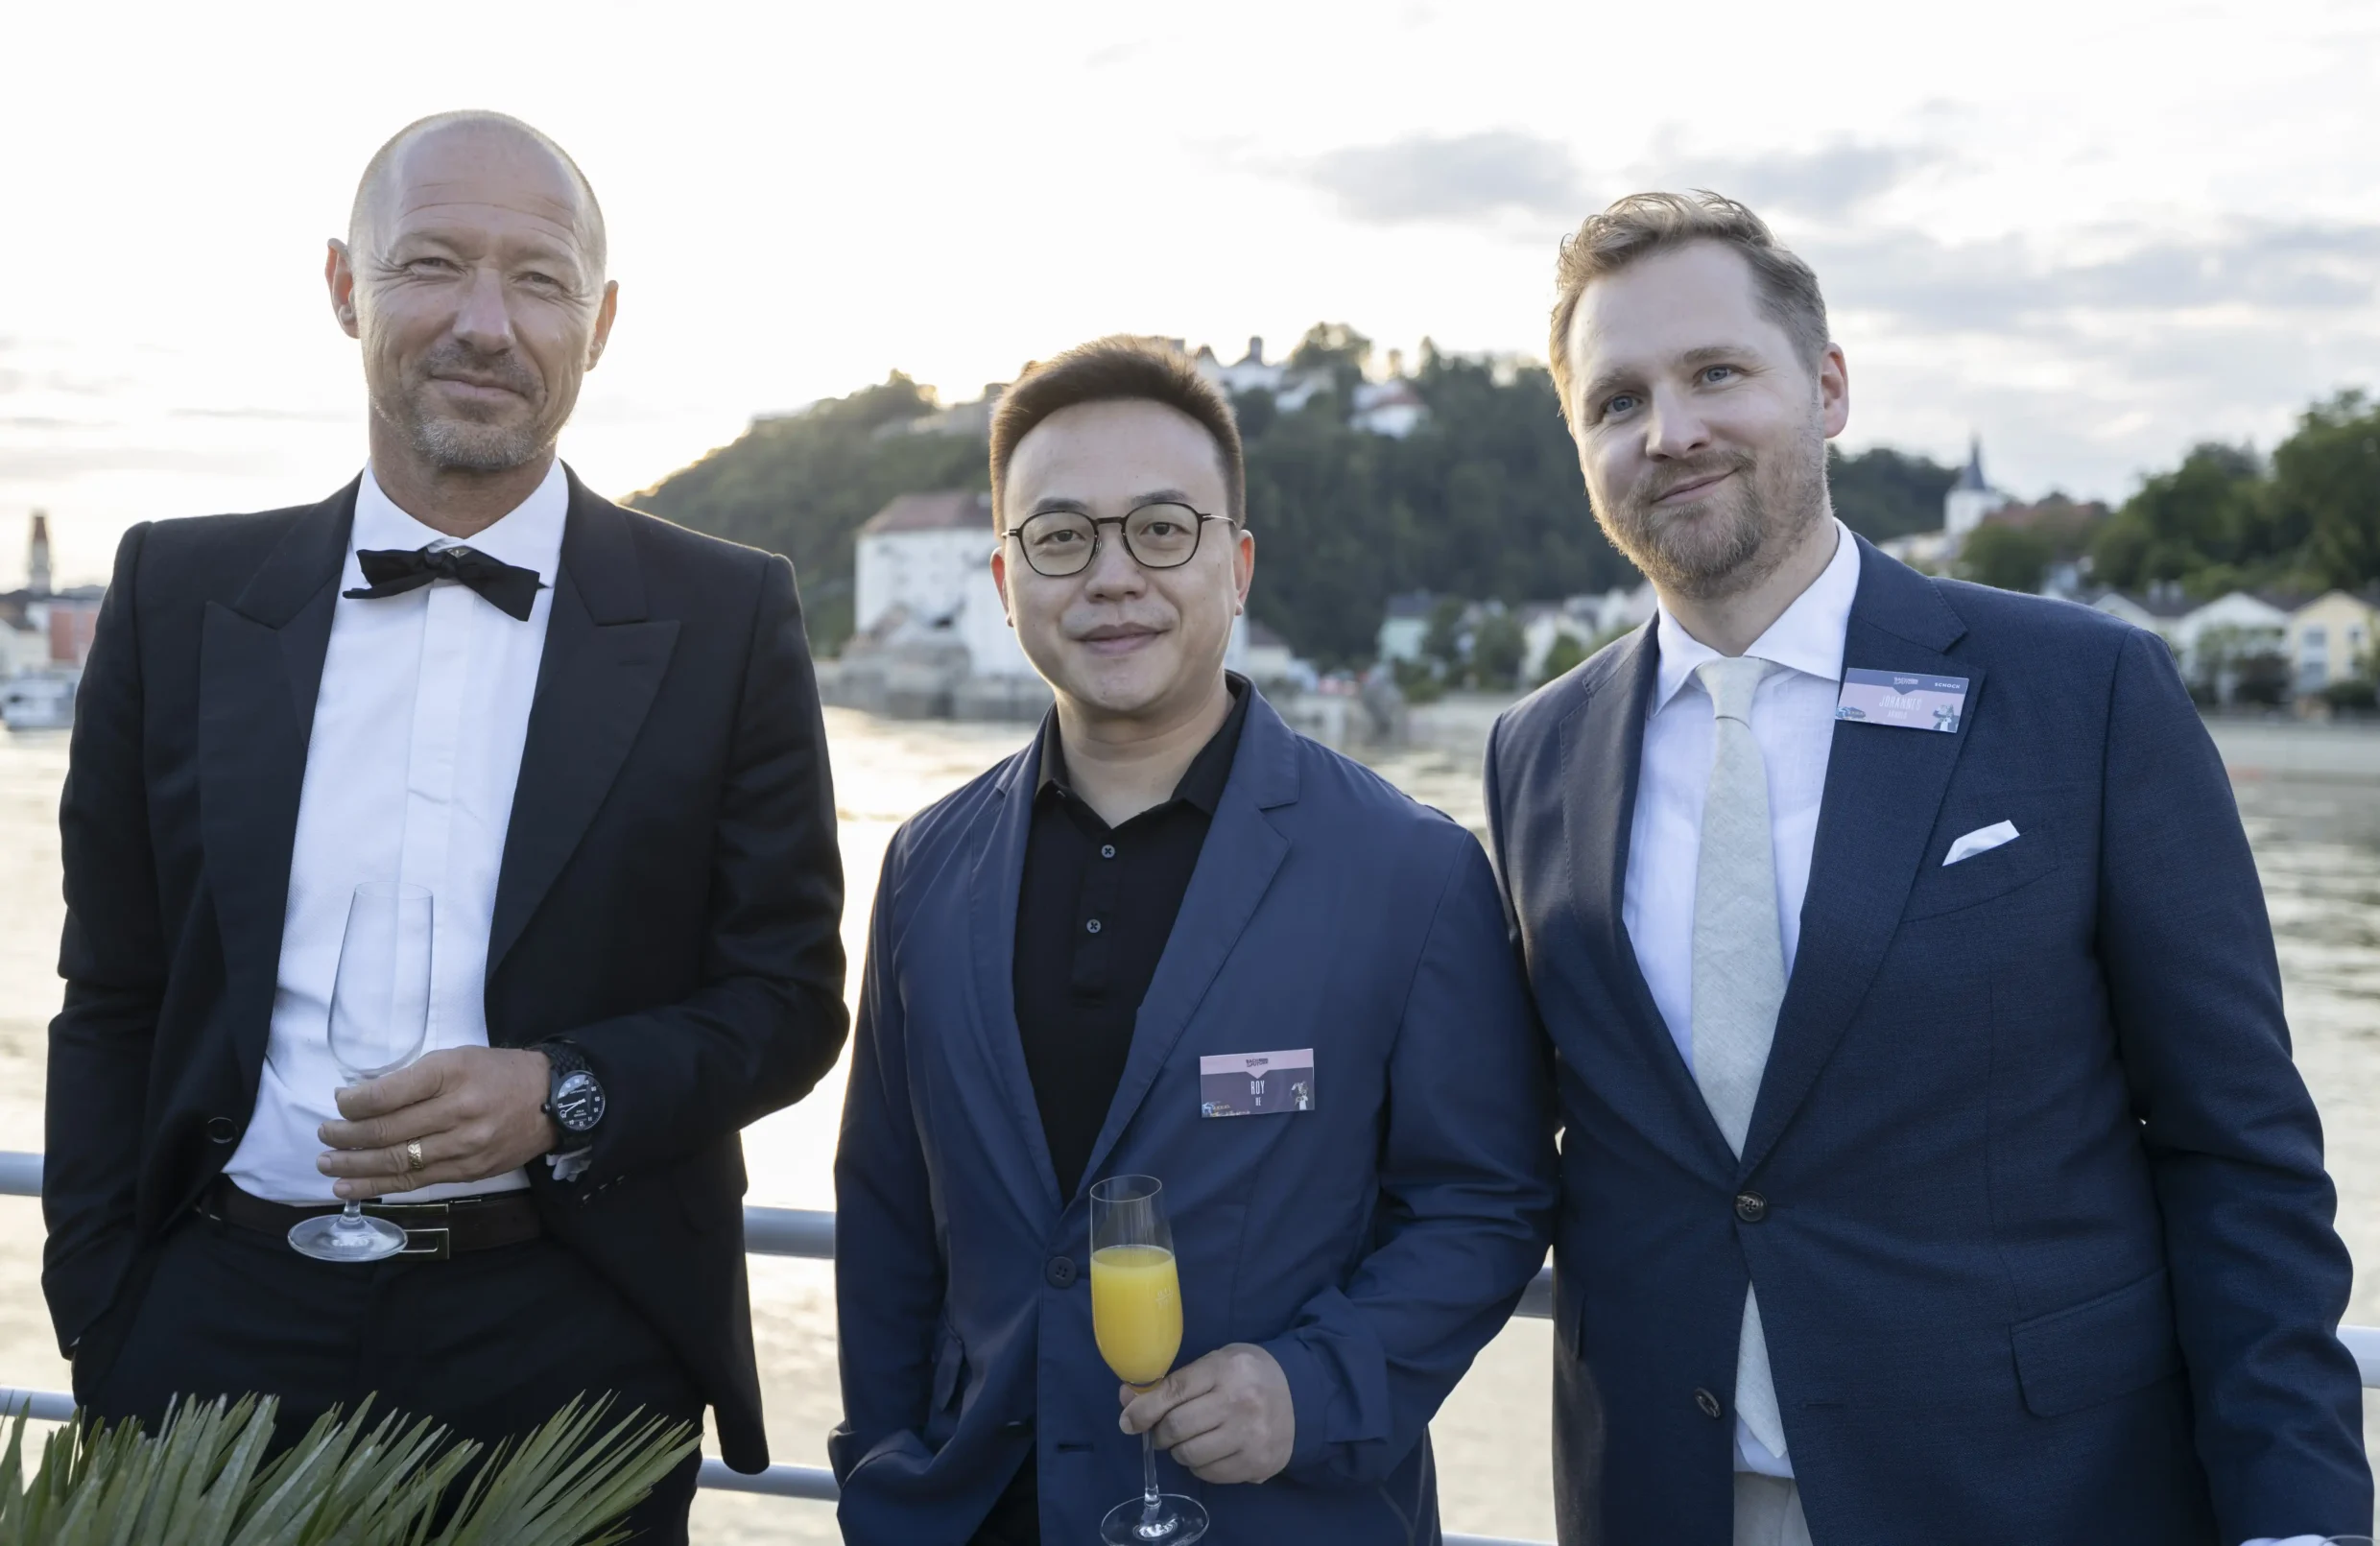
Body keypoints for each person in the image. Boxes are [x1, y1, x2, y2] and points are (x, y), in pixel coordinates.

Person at [1483, 191, 2372, 1546]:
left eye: (1716, 372)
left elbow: (2236, 1151)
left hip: (2031, 1494)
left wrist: (2296, 1518)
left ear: (1827, 388)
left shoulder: (2085, 692)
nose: (1669, 431)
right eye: (1617, 401)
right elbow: (1524, 1152)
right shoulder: (1536, 752)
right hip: (1664, 1496)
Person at [44, 110, 847, 1542]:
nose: (486, 322)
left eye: (538, 280)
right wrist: (107, 1315)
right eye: (432, 264)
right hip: (209, 1335)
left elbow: (788, 999)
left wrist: (564, 1090)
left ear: (599, 324)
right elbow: (112, 993)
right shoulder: (174, 593)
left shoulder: (730, 616)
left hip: (575, 1350)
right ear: (344, 288)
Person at [830, 337, 1554, 1545]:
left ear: (1238, 565)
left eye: (1162, 530)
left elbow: (1486, 1200)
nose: (1112, 577)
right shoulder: (924, 866)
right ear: (1005, 581)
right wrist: (882, 1470)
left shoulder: (1410, 870)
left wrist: (1313, 1386)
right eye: (1061, 537)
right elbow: (887, 1210)